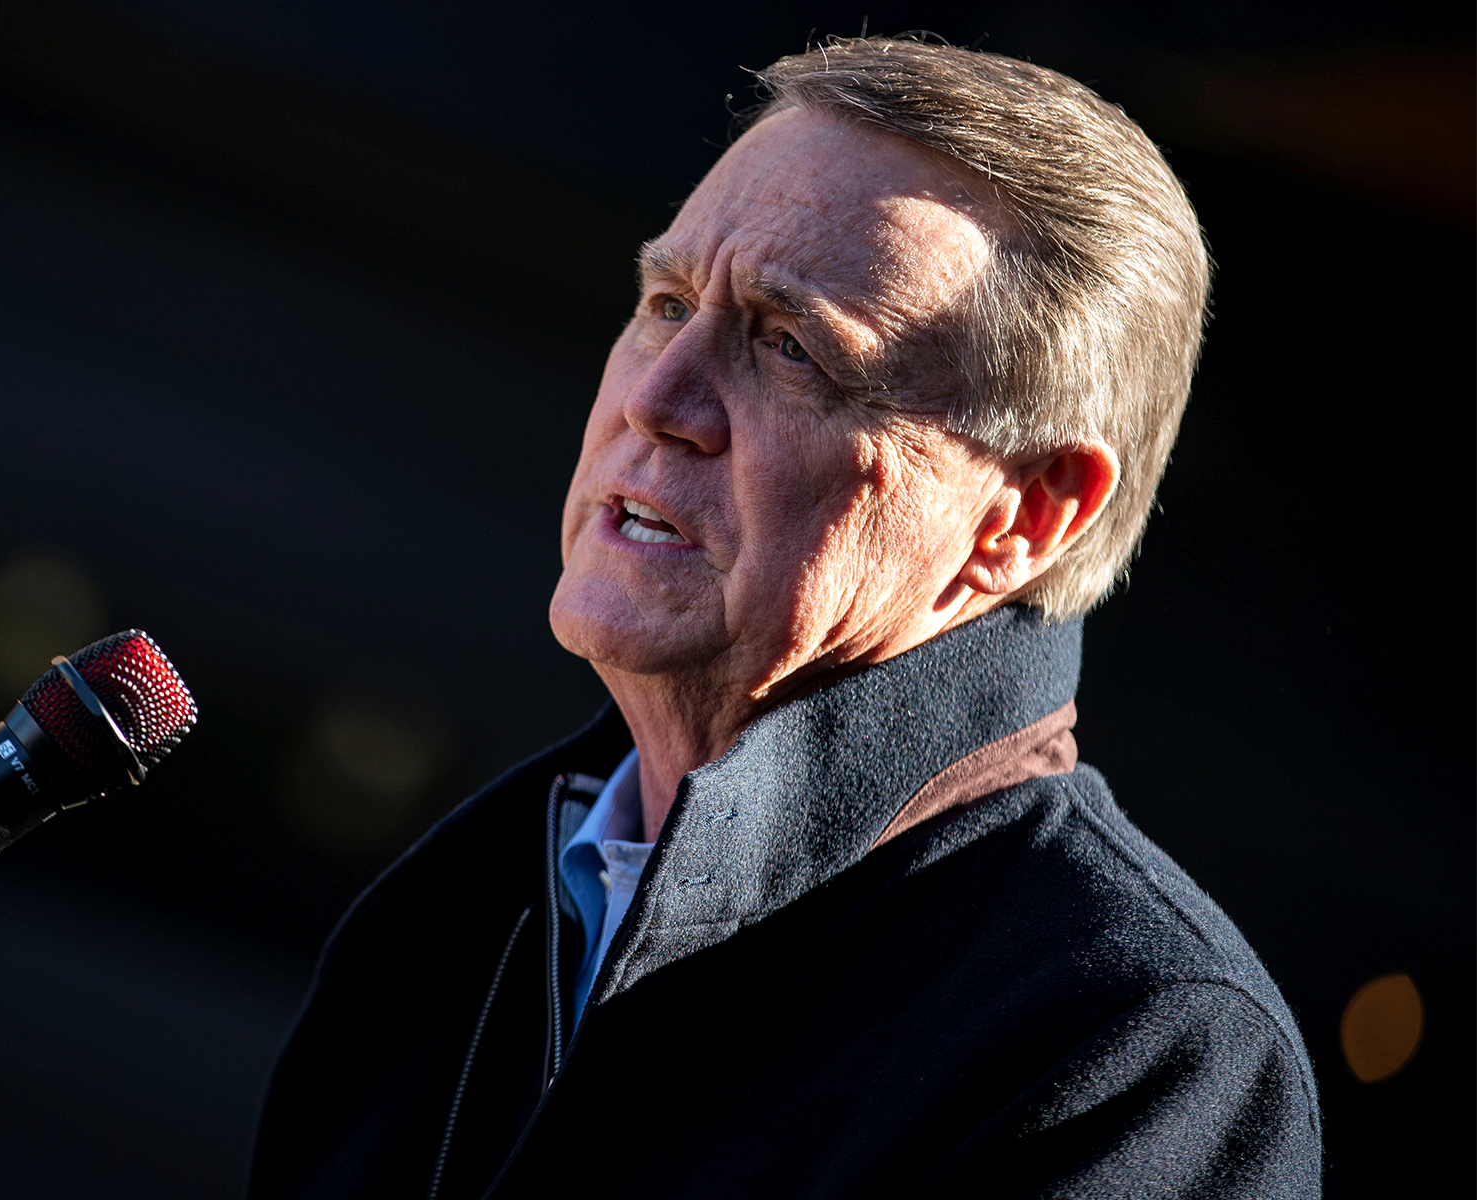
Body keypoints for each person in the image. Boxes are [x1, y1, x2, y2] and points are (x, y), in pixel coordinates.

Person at [247, 38, 1320, 1199]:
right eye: (665, 304)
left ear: (1028, 512)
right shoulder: (454, 920)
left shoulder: (1129, 1046)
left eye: (788, 347)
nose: (656, 400)